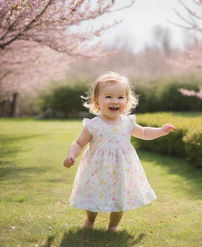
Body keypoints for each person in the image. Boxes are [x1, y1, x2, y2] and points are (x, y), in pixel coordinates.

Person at [63, 72, 175, 232]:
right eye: (108, 96)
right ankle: (90, 219)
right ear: (97, 101)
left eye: (120, 97)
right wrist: (71, 155)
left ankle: (113, 225)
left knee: (119, 197)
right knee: (93, 195)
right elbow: (79, 143)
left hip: (121, 170)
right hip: (97, 170)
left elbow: (144, 133)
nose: (115, 101)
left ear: (127, 101)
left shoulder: (127, 123)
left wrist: (161, 130)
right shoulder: (93, 125)